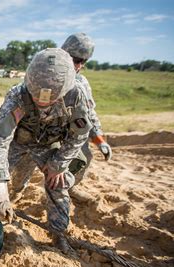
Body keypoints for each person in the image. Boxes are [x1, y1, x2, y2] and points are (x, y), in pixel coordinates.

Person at [0, 48, 92, 254]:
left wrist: (58, 165)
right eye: (37, 97)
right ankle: (5, 207)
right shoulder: (17, 95)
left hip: (49, 147)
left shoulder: (75, 95)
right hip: (19, 143)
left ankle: (58, 234)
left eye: (50, 100)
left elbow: (79, 134)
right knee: (10, 184)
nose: (42, 103)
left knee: (57, 183)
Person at [61, 33, 112, 201]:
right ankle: (15, 192)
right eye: (76, 60)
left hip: (69, 133)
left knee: (84, 157)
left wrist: (100, 141)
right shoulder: (43, 75)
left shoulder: (82, 82)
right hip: (38, 132)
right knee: (20, 173)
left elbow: (89, 114)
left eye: (84, 61)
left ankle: (69, 187)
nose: (80, 65)